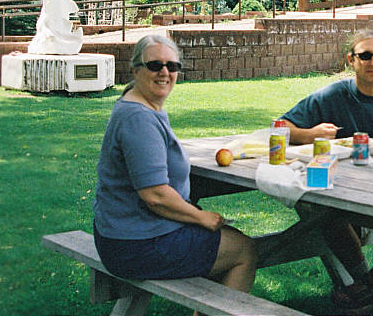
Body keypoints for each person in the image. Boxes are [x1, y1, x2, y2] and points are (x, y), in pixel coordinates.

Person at [93, 35, 258, 316]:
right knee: (244, 251)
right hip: (135, 245)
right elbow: (155, 196)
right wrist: (202, 217)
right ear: (135, 70)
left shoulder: (140, 107)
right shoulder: (139, 118)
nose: (165, 72)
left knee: (219, 241)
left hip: (123, 235)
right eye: (155, 64)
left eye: (172, 65)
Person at [280, 30, 373, 313]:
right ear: (351, 60)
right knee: (323, 213)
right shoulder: (333, 95)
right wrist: (310, 134)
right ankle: (365, 280)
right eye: (365, 56)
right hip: (344, 188)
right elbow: (280, 127)